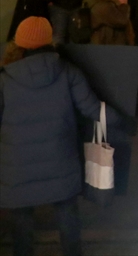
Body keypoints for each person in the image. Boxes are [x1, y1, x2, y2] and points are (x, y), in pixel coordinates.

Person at [1, 17, 103, 256]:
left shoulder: (5, 78)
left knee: (21, 218)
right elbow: (92, 109)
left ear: (19, 42)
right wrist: (125, 123)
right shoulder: (67, 71)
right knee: (67, 212)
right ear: (49, 41)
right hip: (60, 158)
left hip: (16, 164)